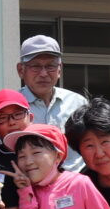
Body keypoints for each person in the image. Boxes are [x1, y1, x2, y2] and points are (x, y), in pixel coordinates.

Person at [16, 35, 89, 171]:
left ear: (59, 69)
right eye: (36, 66)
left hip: (76, 182)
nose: (43, 73)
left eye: (50, 66)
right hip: (29, 185)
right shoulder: (12, 105)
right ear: (21, 70)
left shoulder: (78, 103)